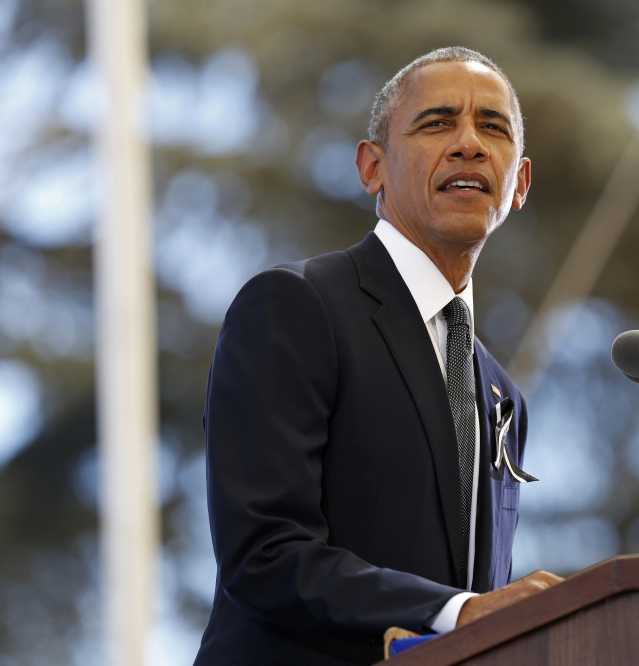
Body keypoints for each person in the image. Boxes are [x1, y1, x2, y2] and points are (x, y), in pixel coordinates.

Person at [193, 47, 563, 666]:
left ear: (518, 183)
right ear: (372, 168)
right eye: (437, 122)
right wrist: (459, 612)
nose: (470, 144)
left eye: (492, 128)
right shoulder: (296, 305)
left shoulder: (502, 396)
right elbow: (266, 553)